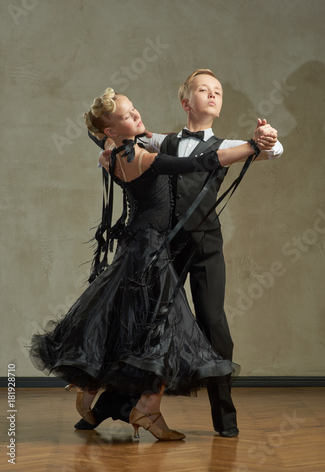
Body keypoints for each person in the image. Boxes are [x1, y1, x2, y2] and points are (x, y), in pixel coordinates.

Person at [30, 87, 278, 441]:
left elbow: (100, 131)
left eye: (134, 109)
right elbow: (198, 163)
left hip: (146, 246)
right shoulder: (143, 156)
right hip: (155, 250)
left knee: (138, 325)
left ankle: (104, 392)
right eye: (129, 115)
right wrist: (252, 147)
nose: (137, 116)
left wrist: (264, 143)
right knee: (164, 330)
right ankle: (141, 407)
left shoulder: (120, 151)